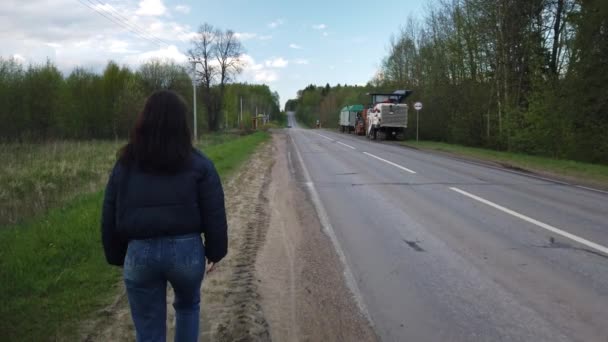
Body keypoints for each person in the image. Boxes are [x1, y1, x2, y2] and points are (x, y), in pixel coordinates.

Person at [101, 90, 228, 342]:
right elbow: (214, 211)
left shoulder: (125, 163)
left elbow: (109, 211)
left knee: (148, 327)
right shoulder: (200, 164)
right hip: (186, 252)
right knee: (189, 307)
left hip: (140, 254)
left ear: (144, 121)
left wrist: (116, 255)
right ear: (182, 124)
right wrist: (215, 251)